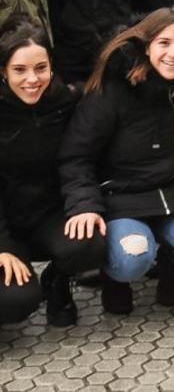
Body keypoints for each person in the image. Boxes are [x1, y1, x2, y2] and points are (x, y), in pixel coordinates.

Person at [58, 8, 174, 316]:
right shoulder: (111, 90)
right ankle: (114, 276)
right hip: (121, 201)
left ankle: (170, 261)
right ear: (146, 46)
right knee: (133, 257)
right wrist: (84, 205)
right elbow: (76, 156)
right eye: (164, 43)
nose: (173, 54)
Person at [0, 18, 107, 327]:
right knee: (16, 301)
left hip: (49, 216)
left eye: (41, 68)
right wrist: (2, 247)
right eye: (19, 70)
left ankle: (58, 279)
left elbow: (79, 159)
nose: (32, 79)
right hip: (6, 225)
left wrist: (84, 206)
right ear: (3, 72)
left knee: (91, 240)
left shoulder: (67, 102)